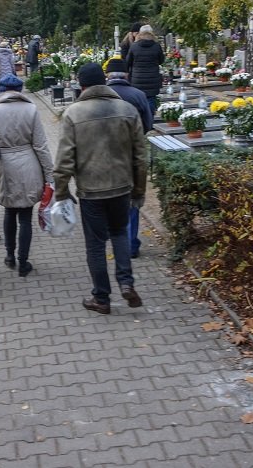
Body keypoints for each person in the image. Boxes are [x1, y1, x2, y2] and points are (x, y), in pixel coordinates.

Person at [54, 63, 147, 315]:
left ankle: (102, 298)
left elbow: (64, 159)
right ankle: (126, 282)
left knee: (95, 245)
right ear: (104, 82)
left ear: (82, 86)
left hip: (91, 190)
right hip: (122, 186)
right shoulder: (127, 110)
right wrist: (139, 190)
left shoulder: (73, 114)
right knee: (119, 233)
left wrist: (61, 191)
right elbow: (140, 156)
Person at [0, 74, 54, 277]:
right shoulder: (31, 109)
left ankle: (9, 255)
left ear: (2, 90)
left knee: (9, 212)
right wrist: (49, 174)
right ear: (20, 90)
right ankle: (24, 262)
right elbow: (41, 145)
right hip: (28, 163)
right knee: (25, 216)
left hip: (4, 165)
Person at [105, 57, 153, 259]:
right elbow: (149, 124)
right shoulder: (138, 95)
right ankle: (131, 244)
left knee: (109, 199)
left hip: (106, 154)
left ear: (107, 75)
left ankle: (114, 237)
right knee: (132, 199)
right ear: (126, 74)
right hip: (131, 153)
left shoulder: (101, 97)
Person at [126, 25, 164, 117]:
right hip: (152, 79)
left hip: (137, 79)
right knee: (151, 99)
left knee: (138, 99)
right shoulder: (156, 46)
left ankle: (140, 118)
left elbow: (128, 62)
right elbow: (161, 60)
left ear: (140, 34)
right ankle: (149, 119)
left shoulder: (134, 46)